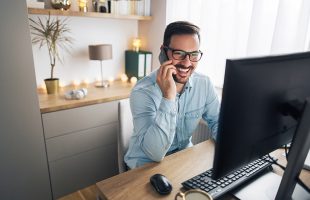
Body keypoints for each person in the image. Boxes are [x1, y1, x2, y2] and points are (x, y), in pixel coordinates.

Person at [124, 21, 220, 169]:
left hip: (182, 160)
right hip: (144, 166)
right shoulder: (143, 91)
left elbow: (218, 121)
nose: (187, 63)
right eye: (179, 53)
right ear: (163, 52)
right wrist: (168, 96)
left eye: (193, 54)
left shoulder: (204, 84)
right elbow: (155, 154)